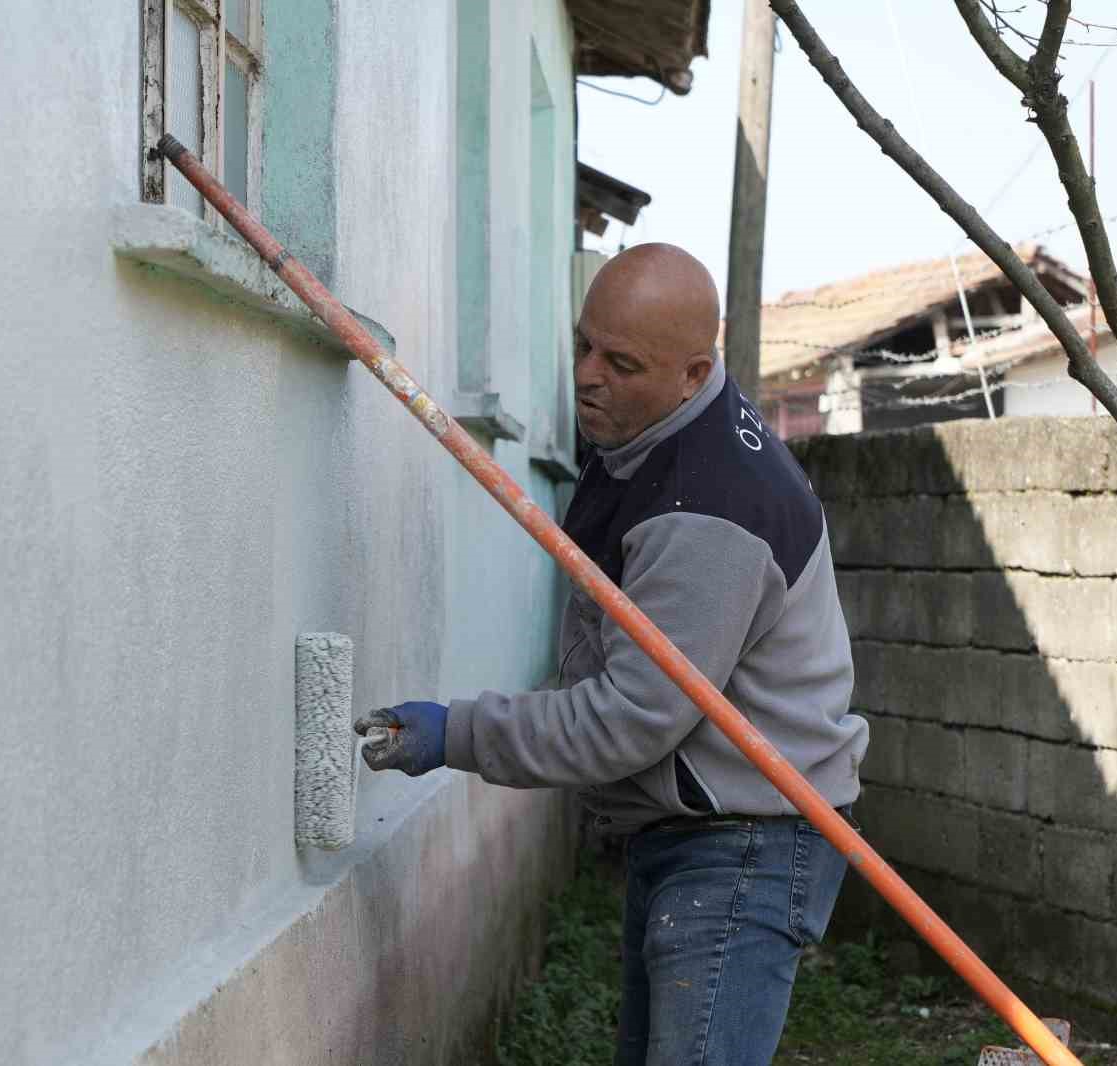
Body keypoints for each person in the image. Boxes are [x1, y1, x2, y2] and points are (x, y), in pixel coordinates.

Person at [353, 243, 867, 1065]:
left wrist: (455, 733)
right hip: (705, 825)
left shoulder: (710, 518)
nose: (588, 375)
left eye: (620, 363)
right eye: (583, 344)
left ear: (695, 373)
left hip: (748, 843)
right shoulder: (660, 437)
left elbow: (628, 720)